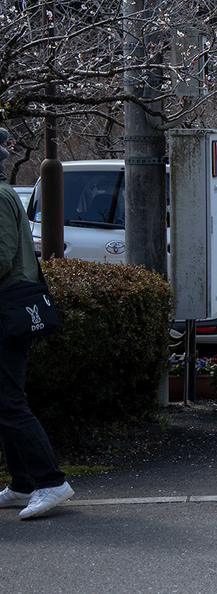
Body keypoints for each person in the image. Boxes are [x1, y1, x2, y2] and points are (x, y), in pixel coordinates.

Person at [0, 128, 74, 519]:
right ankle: (23, 482)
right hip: (11, 308)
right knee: (6, 399)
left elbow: (1, 255)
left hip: (5, 309)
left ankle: (50, 481)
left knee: (7, 401)